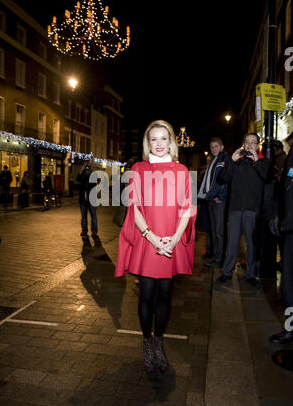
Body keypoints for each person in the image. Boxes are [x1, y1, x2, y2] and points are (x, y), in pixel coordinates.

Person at [115, 120, 196, 374]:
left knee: (165, 294)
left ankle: (159, 341)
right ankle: (147, 342)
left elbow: (187, 209)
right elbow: (134, 208)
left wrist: (173, 239)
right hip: (148, 240)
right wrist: (151, 237)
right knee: (147, 294)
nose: (159, 144)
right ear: (147, 143)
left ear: (171, 142)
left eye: (163, 138)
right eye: (154, 139)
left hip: (171, 241)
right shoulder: (138, 169)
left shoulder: (182, 170)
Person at [216, 132, 271, 287]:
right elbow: (223, 178)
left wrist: (256, 162)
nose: (250, 145)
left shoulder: (263, 161)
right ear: (243, 144)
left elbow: (267, 177)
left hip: (252, 209)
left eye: (253, 142)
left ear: (258, 145)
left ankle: (251, 274)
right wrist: (231, 162)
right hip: (235, 208)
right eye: (247, 142)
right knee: (232, 242)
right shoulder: (236, 161)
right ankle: (227, 272)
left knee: (251, 244)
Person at [269, 132, 293, 344]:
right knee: (288, 285)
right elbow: (286, 187)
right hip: (289, 227)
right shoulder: (290, 154)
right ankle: (290, 329)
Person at [197, 137, 228, 267]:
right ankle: (216, 257)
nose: (214, 149)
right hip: (211, 199)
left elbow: (226, 179)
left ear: (222, 147)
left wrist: (220, 196)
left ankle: (219, 259)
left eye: (216, 146)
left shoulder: (224, 159)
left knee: (219, 231)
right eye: (212, 147)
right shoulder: (213, 160)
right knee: (214, 230)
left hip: (218, 201)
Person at [76, 161, 100, 245]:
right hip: (83, 200)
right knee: (84, 217)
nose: (87, 168)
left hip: (92, 200)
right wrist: (81, 170)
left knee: (94, 217)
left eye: (88, 166)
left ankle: (94, 232)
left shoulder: (93, 175)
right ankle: (84, 231)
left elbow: (98, 180)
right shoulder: (81, 175)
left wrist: (92, 171)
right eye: (86, 166)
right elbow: (77, 179)